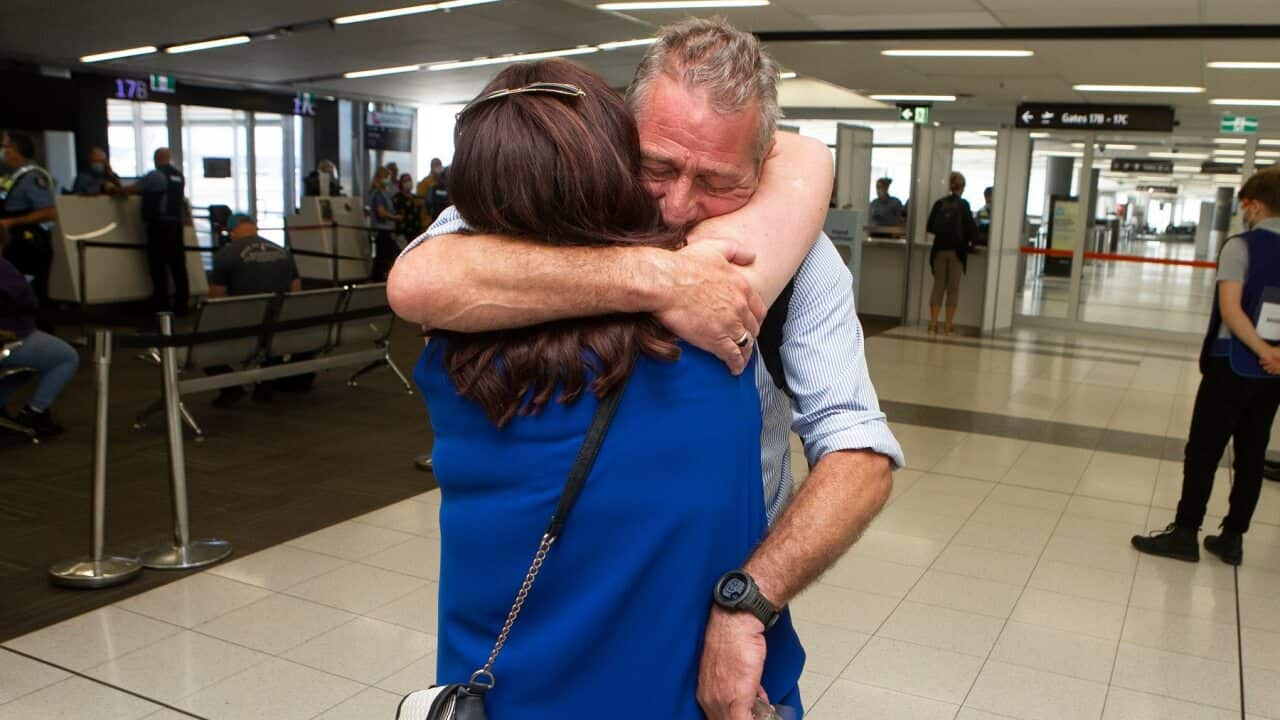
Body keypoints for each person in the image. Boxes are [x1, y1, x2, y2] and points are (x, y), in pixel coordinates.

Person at [391, 18, 902, 720]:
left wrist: (747, 601)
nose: (679, 203)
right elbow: (422, 278)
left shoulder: (799, 263)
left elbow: (860, 454)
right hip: (553, 630)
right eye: (657, 166)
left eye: (719, 180)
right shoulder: (541, 226)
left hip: (717, 622)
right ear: (615, 141)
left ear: (763, 167)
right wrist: (661, 280)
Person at [1132, 168, 1280, 566]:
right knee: (1252, 453)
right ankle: (1233, 538)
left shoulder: (1241, 247)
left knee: (1205, 449)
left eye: (1245, 205)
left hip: (1232, 364)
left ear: (1254, 203)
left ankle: (1184, 534)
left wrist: (1261, 348)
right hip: (1273, 374)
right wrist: (1275, 355)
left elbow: (1231, 311)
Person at [206, 213, 302, 407]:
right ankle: (266, 381)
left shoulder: (226, 254)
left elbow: (216, 298)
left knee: (202, 337)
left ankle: (231, 387)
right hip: (280, 324)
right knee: (270, 330)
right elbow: (296, 290)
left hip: (245, 327)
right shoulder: (283, 252)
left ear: (232, 232)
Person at [0, 257, 77, 436]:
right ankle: (35, 412)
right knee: (65, 357)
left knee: (27, 364)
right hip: (8, 339)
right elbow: (25, 298)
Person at [0, 131, 57, 321]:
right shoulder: (11, 176)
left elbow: (49, 212)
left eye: (6, 147)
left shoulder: (33, 177)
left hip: (28, 244)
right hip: (11, 242)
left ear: (16, 150)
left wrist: (11, 222)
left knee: (31, 292)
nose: (3, 151)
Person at [125, 148, 190, 316]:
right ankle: (182, 305)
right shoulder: (179, 176)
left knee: (158, 267)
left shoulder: (156, 175)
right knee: (178, 267)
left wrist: (116, 190)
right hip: (176, 227)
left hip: (159, 227)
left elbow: (135, 189)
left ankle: (161, 305)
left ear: (156, 159)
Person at [925, 171, 979, 335]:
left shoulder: (939, 204)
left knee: (938, 287)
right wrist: (972, 242)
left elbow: (930, 227)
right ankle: (948, 326)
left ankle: (933, 324)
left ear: (950, 186)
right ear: (962, 188)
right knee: (953, 289)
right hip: (957, 252)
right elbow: (971, 228)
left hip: (939, 250)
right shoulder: (964, 205)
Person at [369, 167, 400, 281]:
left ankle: (377, 277)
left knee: (383, 256)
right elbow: (381, 213)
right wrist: (395, 218)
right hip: (382, 230)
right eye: (386, 177)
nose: (388, 179)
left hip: (386, 230)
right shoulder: (378, 194)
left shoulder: (384, 193)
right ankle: (377, 278)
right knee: (384, 256)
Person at [393, 172, 424, 246]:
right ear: (401, 183)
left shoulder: (416, 197)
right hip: (402, 233)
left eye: (409, 180)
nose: (408, 182)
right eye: (405, 181)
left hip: (416, 232)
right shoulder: (397, 198)